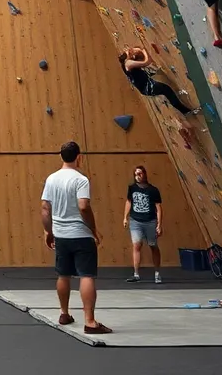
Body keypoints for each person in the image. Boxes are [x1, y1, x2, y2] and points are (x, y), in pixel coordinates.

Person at [41, 141, 110, 335]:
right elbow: (83, 206)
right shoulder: (81, 180)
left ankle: (64, 313)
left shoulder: (51, 179)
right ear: (79, 157)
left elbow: (45, 208)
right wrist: (94, 229)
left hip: (61, 235)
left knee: (63, 274)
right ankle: (90, 321)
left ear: (61, 156)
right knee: (86, 275)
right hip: (80, 234)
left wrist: (49, 231)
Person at [120, 46, 195, 147]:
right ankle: (184, 111)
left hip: (147, 86)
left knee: (167, 94)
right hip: (148, 87)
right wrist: (144, 50)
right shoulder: (128, 63)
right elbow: (147, 62)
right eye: (129, 51)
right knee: (165, 89)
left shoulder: (128, 64)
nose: (131, 51)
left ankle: (184, 118)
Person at [123, 165, 163, 284]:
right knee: (136, 245)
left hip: (150, 221)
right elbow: (129, 202)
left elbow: (158, 208)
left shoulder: (153, 190)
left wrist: (159, 224)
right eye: (136, 174)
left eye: (140, 174)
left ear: (145, 174)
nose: (138, 176)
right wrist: (125, 217)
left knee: (153, 245)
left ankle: (157, 273)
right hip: (135, 221)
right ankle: (136, 273)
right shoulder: (132, 188)